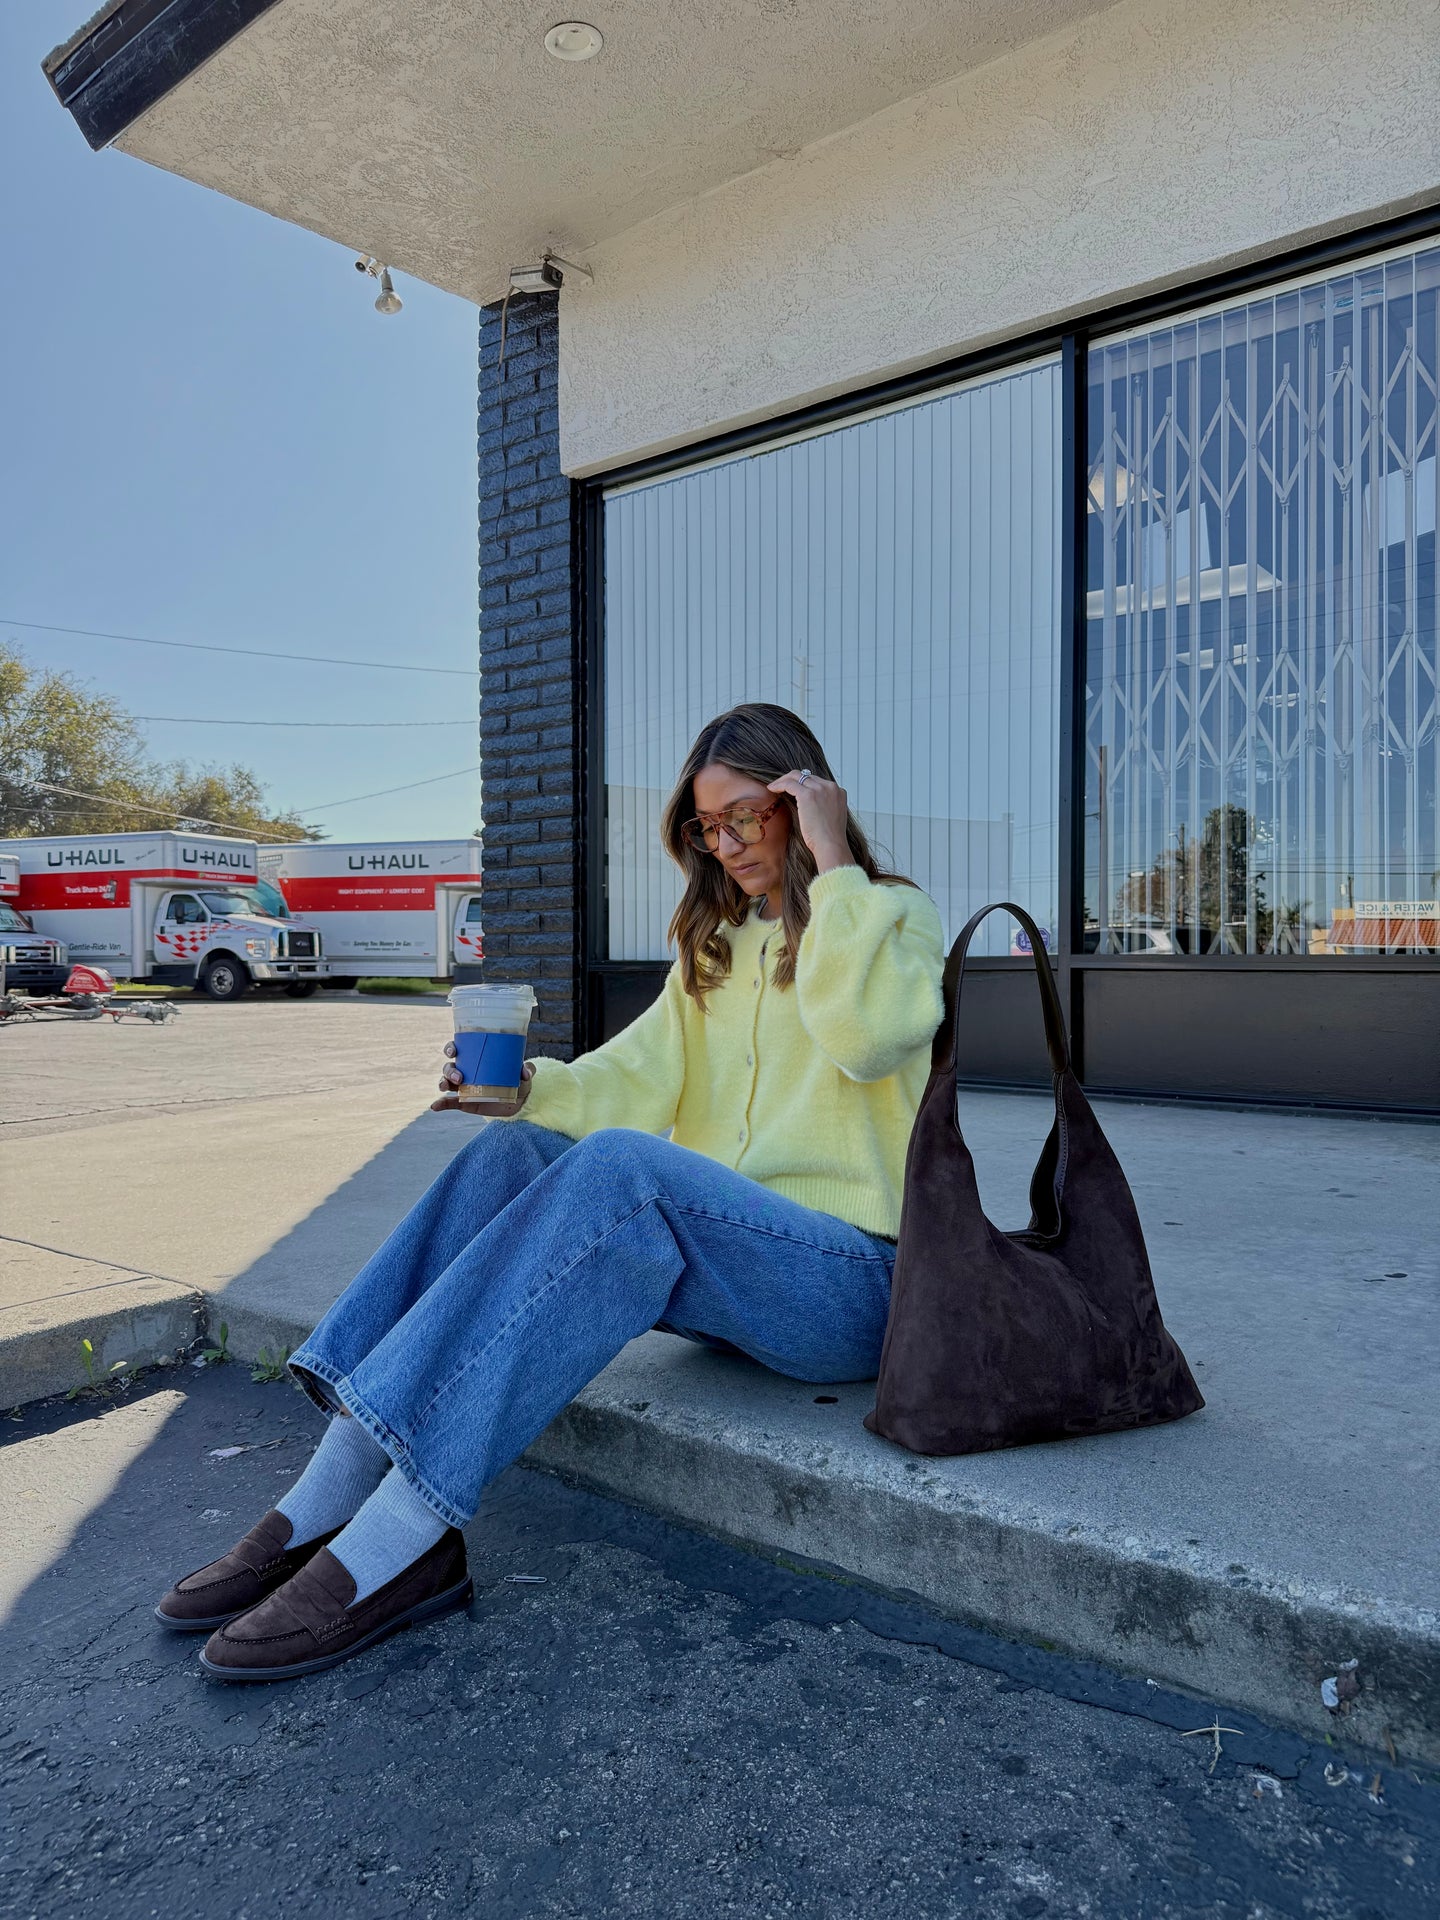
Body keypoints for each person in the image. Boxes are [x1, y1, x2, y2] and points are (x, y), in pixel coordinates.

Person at [156, 703, 946, 1680]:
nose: (730, 843)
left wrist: (833, 862)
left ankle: (405, 1532)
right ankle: (323, 1497)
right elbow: (633, 1077)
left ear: (803, 797)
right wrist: (526, 1087)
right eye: (711, 826)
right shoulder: (714, 949)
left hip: (852, 1285)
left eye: (752, 813)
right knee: (513, 1152)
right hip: (731, 1277)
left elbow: (870, 1033)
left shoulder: (890, 914)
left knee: (622, 1167)